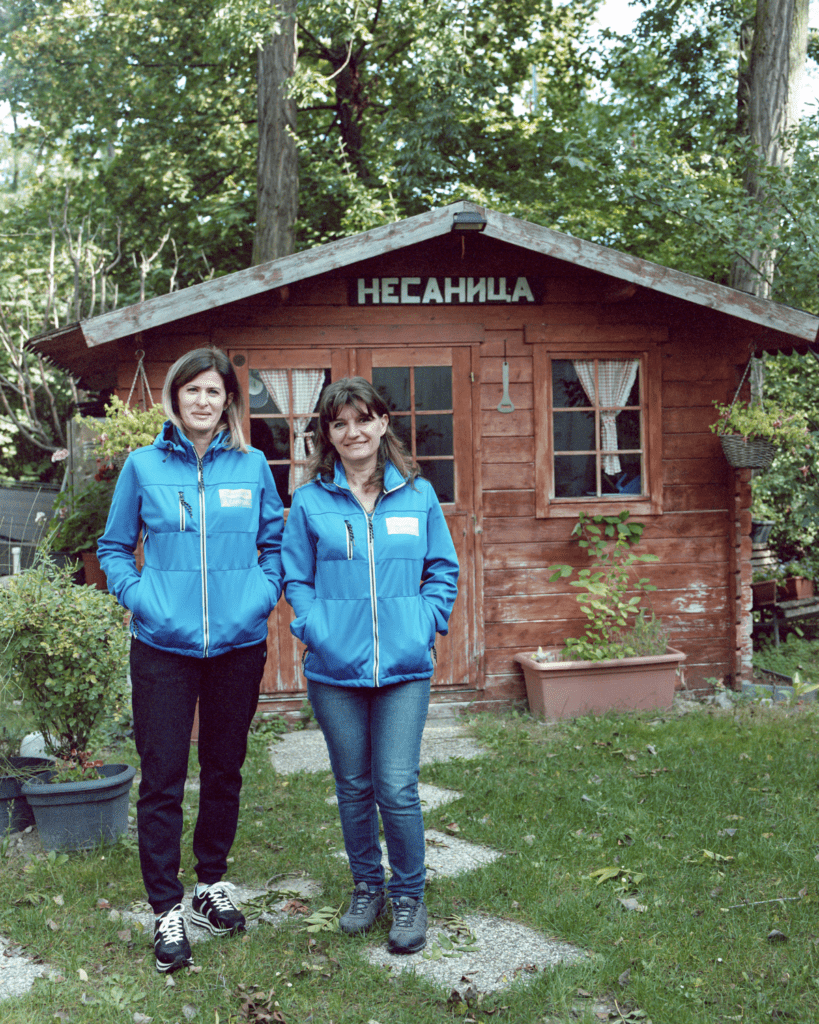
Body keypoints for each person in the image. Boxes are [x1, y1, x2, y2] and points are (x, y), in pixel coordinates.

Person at [97, 347, 284, 974]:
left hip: (237, 644)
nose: (203, 401)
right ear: (175, 398)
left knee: (225, 767)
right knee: (164, 776)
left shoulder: (253, 465)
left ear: (228, 401)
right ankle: (165, 908)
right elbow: (115, 547)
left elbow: (274, 544)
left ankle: (209, 884)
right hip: (162, 647)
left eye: (215, 392)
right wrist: (143, 599)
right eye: (192, 390)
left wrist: (258, 599)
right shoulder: (143, 466)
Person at [281, 376, 459, 954]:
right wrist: (315, 628)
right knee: (353, 786)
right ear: (328, 435)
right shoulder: (310, 501)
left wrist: (426, 619)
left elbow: (442, 569)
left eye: (363, 419)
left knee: (397, 786)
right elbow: (296, 579)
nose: (353, 432)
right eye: (339, 423)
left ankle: (409, 895)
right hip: (334, 669)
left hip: (405, 668)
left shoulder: (419, 494)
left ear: (384, 423)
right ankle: (367, 888)